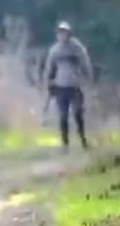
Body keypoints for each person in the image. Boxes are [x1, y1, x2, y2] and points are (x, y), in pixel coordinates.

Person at [39, 21, 93, 151]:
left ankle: (83, 140)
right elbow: (49, 68)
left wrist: (87, 78)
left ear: (69, 34)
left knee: (78, 113)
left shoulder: (77, 48)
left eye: (64, 33)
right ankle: (65, 144)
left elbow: (85, 63)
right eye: (60, 33)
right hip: (61, 87)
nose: (62, 35)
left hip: (75, 87)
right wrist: (48, 81)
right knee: (63, 116)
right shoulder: (55, 50)